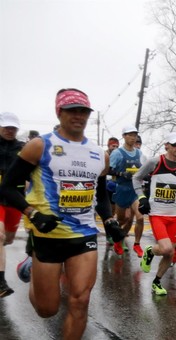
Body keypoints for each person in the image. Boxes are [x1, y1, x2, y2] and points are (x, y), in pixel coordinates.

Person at [0, 88, 124, 339]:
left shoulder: (101, 155)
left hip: (84, 234)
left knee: (80, 300)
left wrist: (109, 219)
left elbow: (100, 195)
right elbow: (8, 187)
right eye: (72, 110)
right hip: (47, 234)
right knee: (47, 310)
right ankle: (32, 268)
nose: (79, 116)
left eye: (83, 111)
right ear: (59, 112)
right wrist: (32, 214)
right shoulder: (39, 146)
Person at [133, 132, 176, 296]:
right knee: (166, 249)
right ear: (167, 145)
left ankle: (156, 282)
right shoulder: (155, 162)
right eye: (175, 145)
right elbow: (136, 178)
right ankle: (150, 251)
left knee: (171, 252)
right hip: (157, 213)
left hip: (174, 215)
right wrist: (142, 197)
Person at [0, 112, 26, 297]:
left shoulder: (23, 148)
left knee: (7, 239)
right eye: (6, 127)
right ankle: (1, 283)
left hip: (15, 199)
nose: (10, 130)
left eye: (13, 128)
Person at [109, 125, 144, 257]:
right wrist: (122, 174)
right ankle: (118, 240)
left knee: (139, 217)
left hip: (135, 190)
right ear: (124, 136)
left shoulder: (139, 153)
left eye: (135, 135)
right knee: (122, 220)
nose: (133, 137)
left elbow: (143, 169)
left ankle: (137, 244)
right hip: (122, 189)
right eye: (130, 135)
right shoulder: (117, 153)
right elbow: (108, 170)